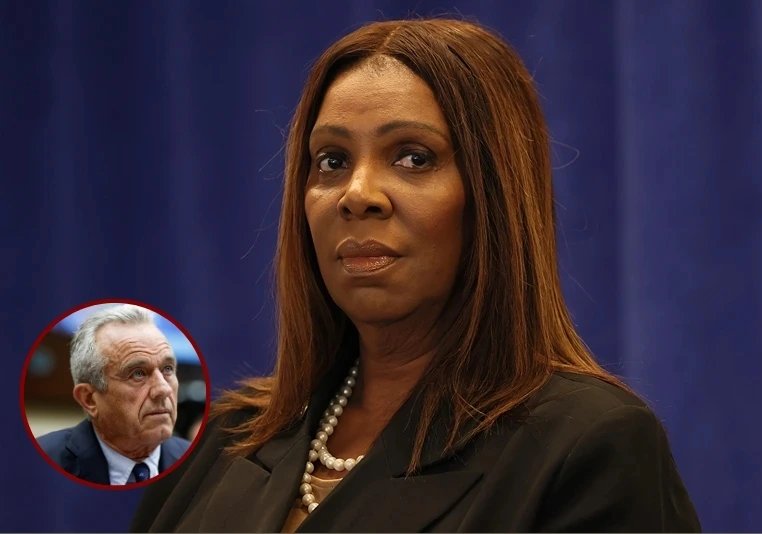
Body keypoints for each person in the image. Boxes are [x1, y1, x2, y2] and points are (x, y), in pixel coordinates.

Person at [130, 18, 701, 532]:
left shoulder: (589, 446)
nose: (357, 195)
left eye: (412, 158)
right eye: (331, 161)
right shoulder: (224, 437)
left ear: (493, 195)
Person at [37, 304, 190, 485]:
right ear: (89, 399)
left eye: (167, 369)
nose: (163, 389)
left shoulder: (195, 461)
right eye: (138, 374)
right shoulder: (41, 465)